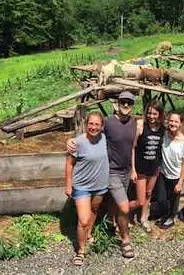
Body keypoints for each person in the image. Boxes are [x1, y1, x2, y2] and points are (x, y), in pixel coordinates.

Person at [67, 91, 137, 258]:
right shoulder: (109, 123)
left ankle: (108, 225)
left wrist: (133, 169)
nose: (126, 105)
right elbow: (90, 132)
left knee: (102, 206)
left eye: (129, 102)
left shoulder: (135, 123)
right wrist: (70, 141)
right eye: (123, 102)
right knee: (124, 207)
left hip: (124, 172)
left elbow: (133, 146)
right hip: (111, 172)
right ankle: (125, 240)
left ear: (133, 105)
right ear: (117, 103)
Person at [65, 111, 109, 266]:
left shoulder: (105, 139)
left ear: (102, 126)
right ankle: (81, 251)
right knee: (83, 219)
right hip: (82, 186)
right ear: (86, 124)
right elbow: (69, 164)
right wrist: (68, 184)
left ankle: (88, 234)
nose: (93, 127)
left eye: (97, 124)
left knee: (94, 210)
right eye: (91, 123)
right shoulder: (78, 142)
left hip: (100, 185)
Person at [129, 100, 165, 232]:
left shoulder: (162, 129)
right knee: (140, 200)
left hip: (154, 169)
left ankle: (143, 218)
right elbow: (132, 148)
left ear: (160, 114)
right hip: (141, 168)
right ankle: (120, 212)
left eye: (154, 113)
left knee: (149, 194)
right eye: (149, 113)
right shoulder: (141, 126)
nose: (151, 116)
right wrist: (133, 169)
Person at [156, 111, 184, 230]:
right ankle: (166, 215)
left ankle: (171, 218)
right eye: (171, 121)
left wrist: (180, 182)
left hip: (176, 175)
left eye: (176, 121)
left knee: (173, 200)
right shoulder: (164, 134)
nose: (173, 123)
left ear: (180, 123)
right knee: (161, 198)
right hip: (163, 173)